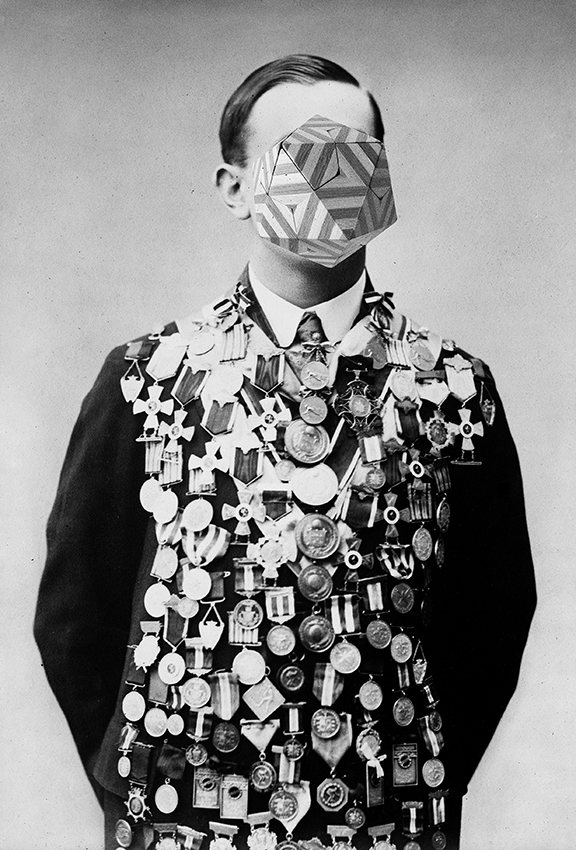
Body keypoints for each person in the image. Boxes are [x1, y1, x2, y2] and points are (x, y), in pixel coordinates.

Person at [34, 55, 536, 850]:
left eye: (357, 156)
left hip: (386, 820)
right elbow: (74, 617)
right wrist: (136, 782)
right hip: (181, 821)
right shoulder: (147, 379)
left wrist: (420, 770)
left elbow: (495, 614)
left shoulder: (455, 389)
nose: (334, 180)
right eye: (301, 155)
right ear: (234, 187)